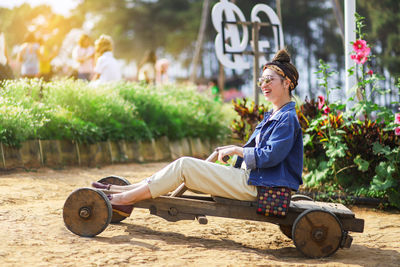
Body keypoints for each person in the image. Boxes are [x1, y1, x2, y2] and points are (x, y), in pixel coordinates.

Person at [92, 49, 303, 215]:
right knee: (183, 166)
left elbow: (271, 157)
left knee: (185, 165)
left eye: (269, 80)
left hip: (260, 186)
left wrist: (238, 151)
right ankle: (123, 192)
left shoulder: (286, 119)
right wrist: (235, 158)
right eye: (261, 80)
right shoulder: (276, 114)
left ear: (287, 83)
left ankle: (125, 199)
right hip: (254, 180)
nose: (263, 85)